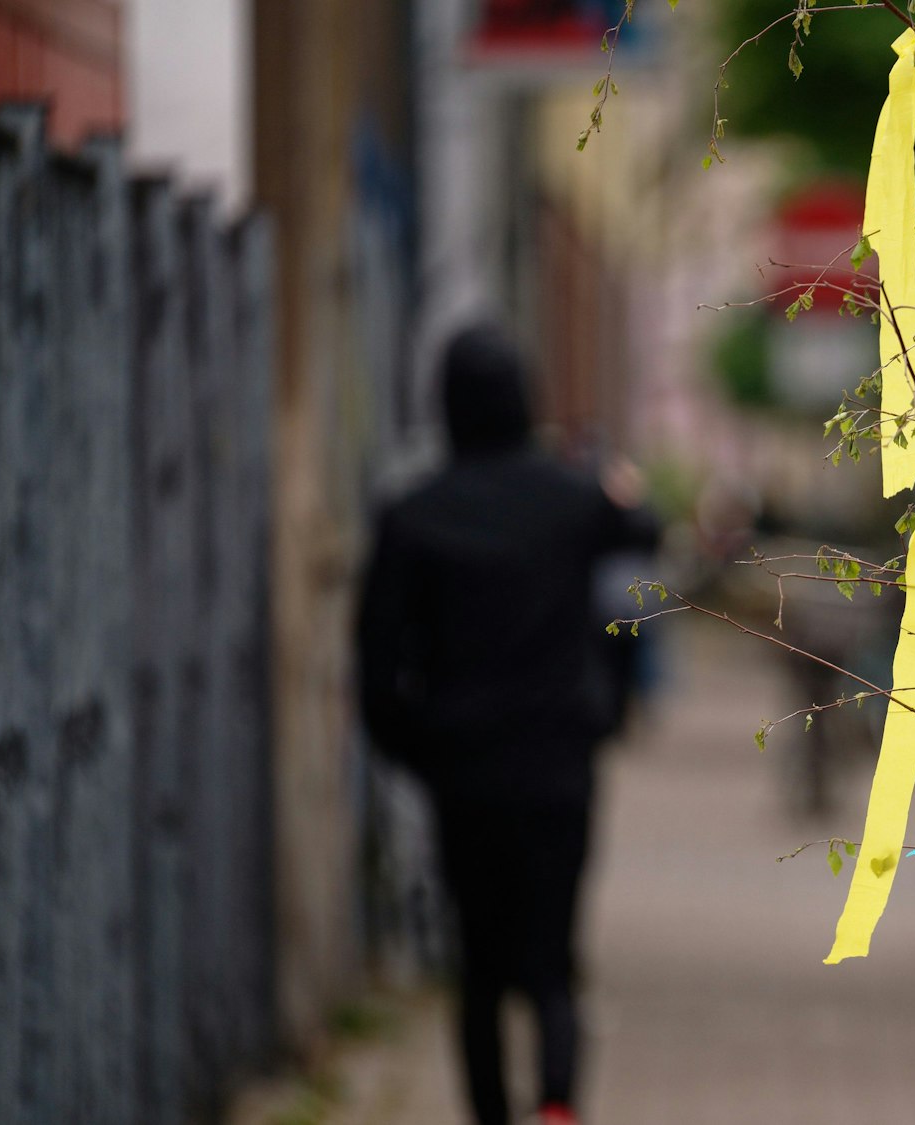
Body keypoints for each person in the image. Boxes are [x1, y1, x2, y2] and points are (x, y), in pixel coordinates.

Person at [357, 325, 659, 1125]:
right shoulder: (570, 501)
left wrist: (421, 752)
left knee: (481, 966)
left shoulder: (413, 515)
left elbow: (374, 669)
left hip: (465, 773)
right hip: (559, 765)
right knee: (554, 958)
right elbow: (647, 531)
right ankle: (557, 1103)